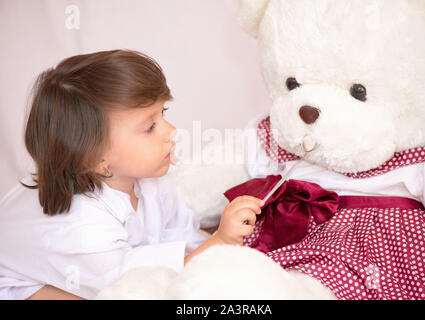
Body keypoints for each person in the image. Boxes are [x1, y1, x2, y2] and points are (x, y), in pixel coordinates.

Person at [0, 49, 263, 300]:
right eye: (150, 127)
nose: (171, 130)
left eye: (163, 114)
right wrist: (219, 240)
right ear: (96, 158)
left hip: (99, 263)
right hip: (19, 282)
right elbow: (141, 286)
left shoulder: (151, 176)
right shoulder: (82, 229)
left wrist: (223, 242)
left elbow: (180, 230)